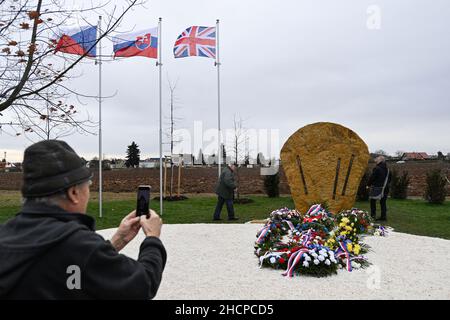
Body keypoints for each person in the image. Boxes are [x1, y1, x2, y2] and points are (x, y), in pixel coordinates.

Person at [0, 140, 166, 299]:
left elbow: (70, 273)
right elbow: (143, 284)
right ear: (73, 193)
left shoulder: (5, 236)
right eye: (88, 185)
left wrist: (117, 241)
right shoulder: (77, 245)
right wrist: (152, 238)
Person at [367, 155, 391, 221]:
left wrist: (368, 184)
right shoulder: (388, 169)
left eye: (377, 158)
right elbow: (390, 179)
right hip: (385, 188)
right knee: (383, 202)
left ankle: (373, 216)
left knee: (372, 201)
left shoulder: (377, 168)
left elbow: (372, 178)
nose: (376, 159)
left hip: (377, 188)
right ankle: (383, 217)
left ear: (380, 160)